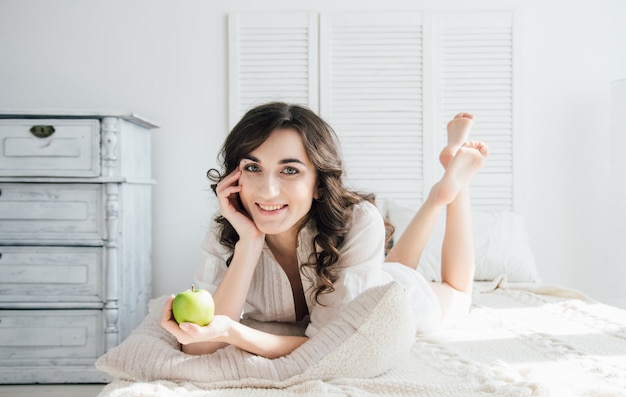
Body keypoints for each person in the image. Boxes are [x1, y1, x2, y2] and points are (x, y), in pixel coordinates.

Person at [161, 102, 488, 358]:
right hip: (372, 276)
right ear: (234, 178)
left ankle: (455, 186)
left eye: (289, 170)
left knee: (457, 293)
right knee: (395, 268)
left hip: (396, 298)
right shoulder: (229, 231)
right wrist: (249, 242)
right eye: (252, 167)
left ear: (319, 184)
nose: (267, 191)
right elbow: (200, 347)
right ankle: (437, 195)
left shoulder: (359, 220)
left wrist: (231, 333)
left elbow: (332, 345)